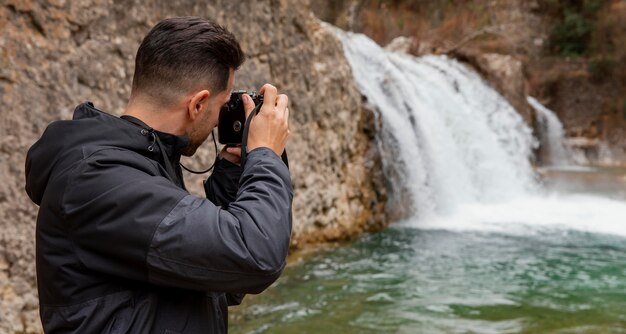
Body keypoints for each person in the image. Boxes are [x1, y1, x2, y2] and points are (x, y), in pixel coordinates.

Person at [24, 16, 292, 333]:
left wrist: (234, 173)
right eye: (222, 105)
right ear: (198, 103)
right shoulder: (98, 179)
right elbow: (256, 256)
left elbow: (222, 277)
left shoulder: (145, 164)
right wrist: (264, 154)